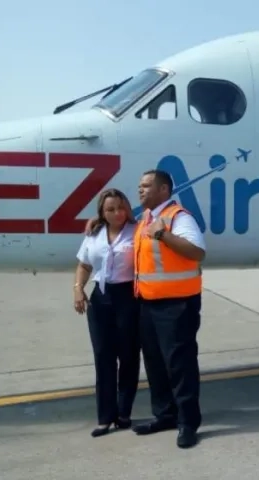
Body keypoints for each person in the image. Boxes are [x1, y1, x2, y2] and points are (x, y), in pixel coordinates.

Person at [132, 169, 207, 449]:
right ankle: (165, 415)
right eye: (139, 186)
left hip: (177, 305)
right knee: (155, 363)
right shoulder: (145, 220)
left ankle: (188, 423)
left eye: (146, 186)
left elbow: (197, 252)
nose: (140, 190)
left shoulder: (178, 217)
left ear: (164, 190)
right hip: (149, 304)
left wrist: (163, 234)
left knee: (180, 365)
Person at [73, 189, 141, 438]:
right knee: (103, 358)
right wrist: (78, 289)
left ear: (128, 208)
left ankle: (124, 413)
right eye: (110, 209)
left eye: (121, 208)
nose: (116, 214)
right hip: (101, 299)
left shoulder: (138, 231)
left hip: (128, 298)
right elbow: (84, 264)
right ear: (102, 211)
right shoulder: (94, 233)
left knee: (129, 357)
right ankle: (105, 418)